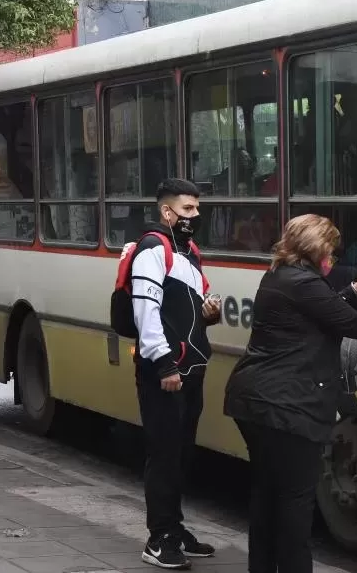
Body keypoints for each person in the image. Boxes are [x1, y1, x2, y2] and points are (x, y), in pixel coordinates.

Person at [223, 214, 357, 573]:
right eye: (330, 250)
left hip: (255, 399)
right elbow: (353, 323)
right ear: (316, 250)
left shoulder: (280, 277)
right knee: (294, 505)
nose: (332, 257)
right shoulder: (303, 283)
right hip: (287, 407)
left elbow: (322, 309)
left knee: (267, 496)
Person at [132, 178, 220, 569]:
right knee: (164, 455)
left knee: (182, 453)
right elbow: (146, 312)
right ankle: (158, 538)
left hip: (191, 369)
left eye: (197, 209)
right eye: (187, 210)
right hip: (166, 372)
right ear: (167, 212)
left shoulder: (187, 251)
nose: (195, 216)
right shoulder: (152, 250)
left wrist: (208, 315)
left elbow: (183, 308)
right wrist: (164, 364)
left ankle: (175, 528)